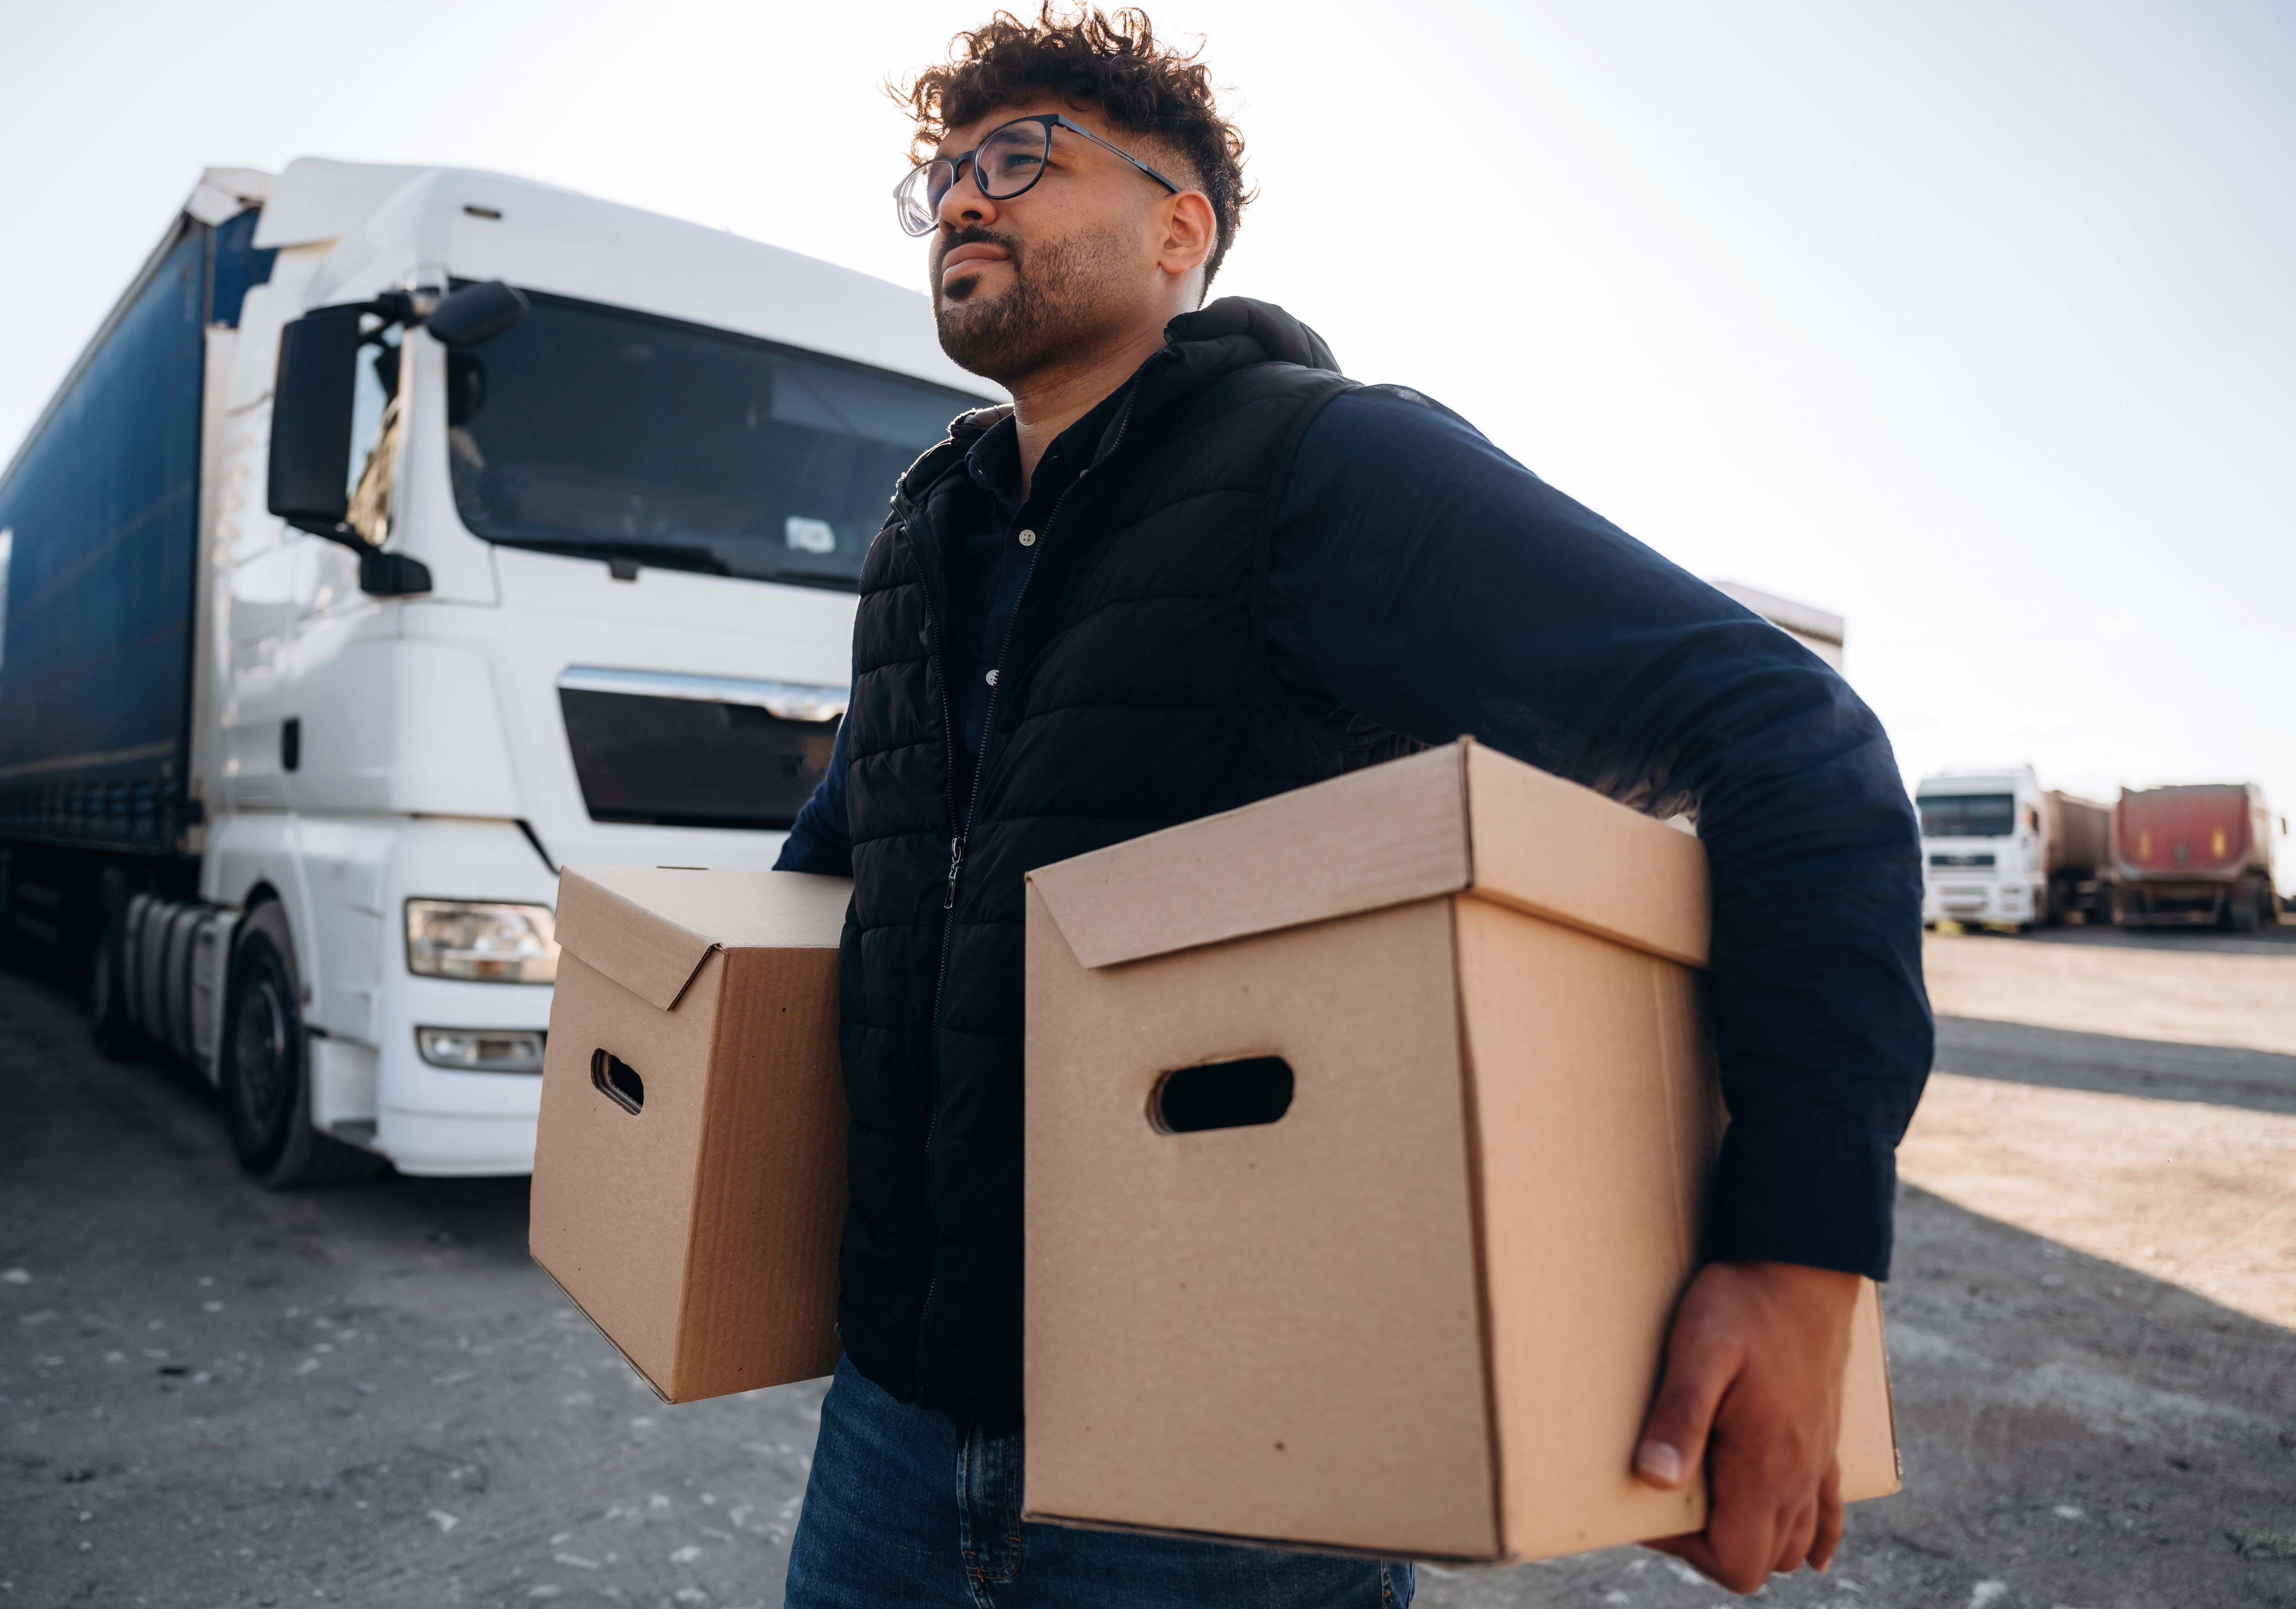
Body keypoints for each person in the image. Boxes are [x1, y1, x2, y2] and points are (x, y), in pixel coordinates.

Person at [773, 7, 1931, 1604]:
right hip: (894, 1435)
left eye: (1021, 158)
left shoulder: (1319, 466)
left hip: (1232, 1475)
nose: (965, 199)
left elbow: (1793, 742)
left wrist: (1798, 1258)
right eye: (946, 175)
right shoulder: (926, 537)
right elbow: (863, 859)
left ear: (1180, 228)